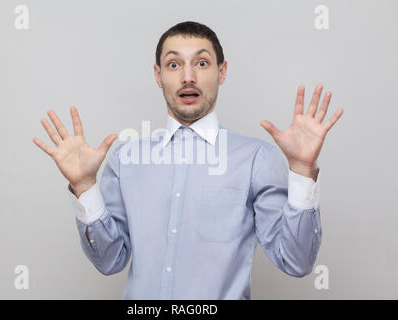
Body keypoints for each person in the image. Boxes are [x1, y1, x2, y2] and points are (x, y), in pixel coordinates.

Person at [33, 21, 343, 299]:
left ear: (221, 72)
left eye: (202, 63)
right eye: (173, 65)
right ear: (158, 75)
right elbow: (109, 260)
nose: (188, 77)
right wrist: (85, 186)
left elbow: (297, 261)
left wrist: (301, 170)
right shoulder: (126, 159)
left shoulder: (255, 159)